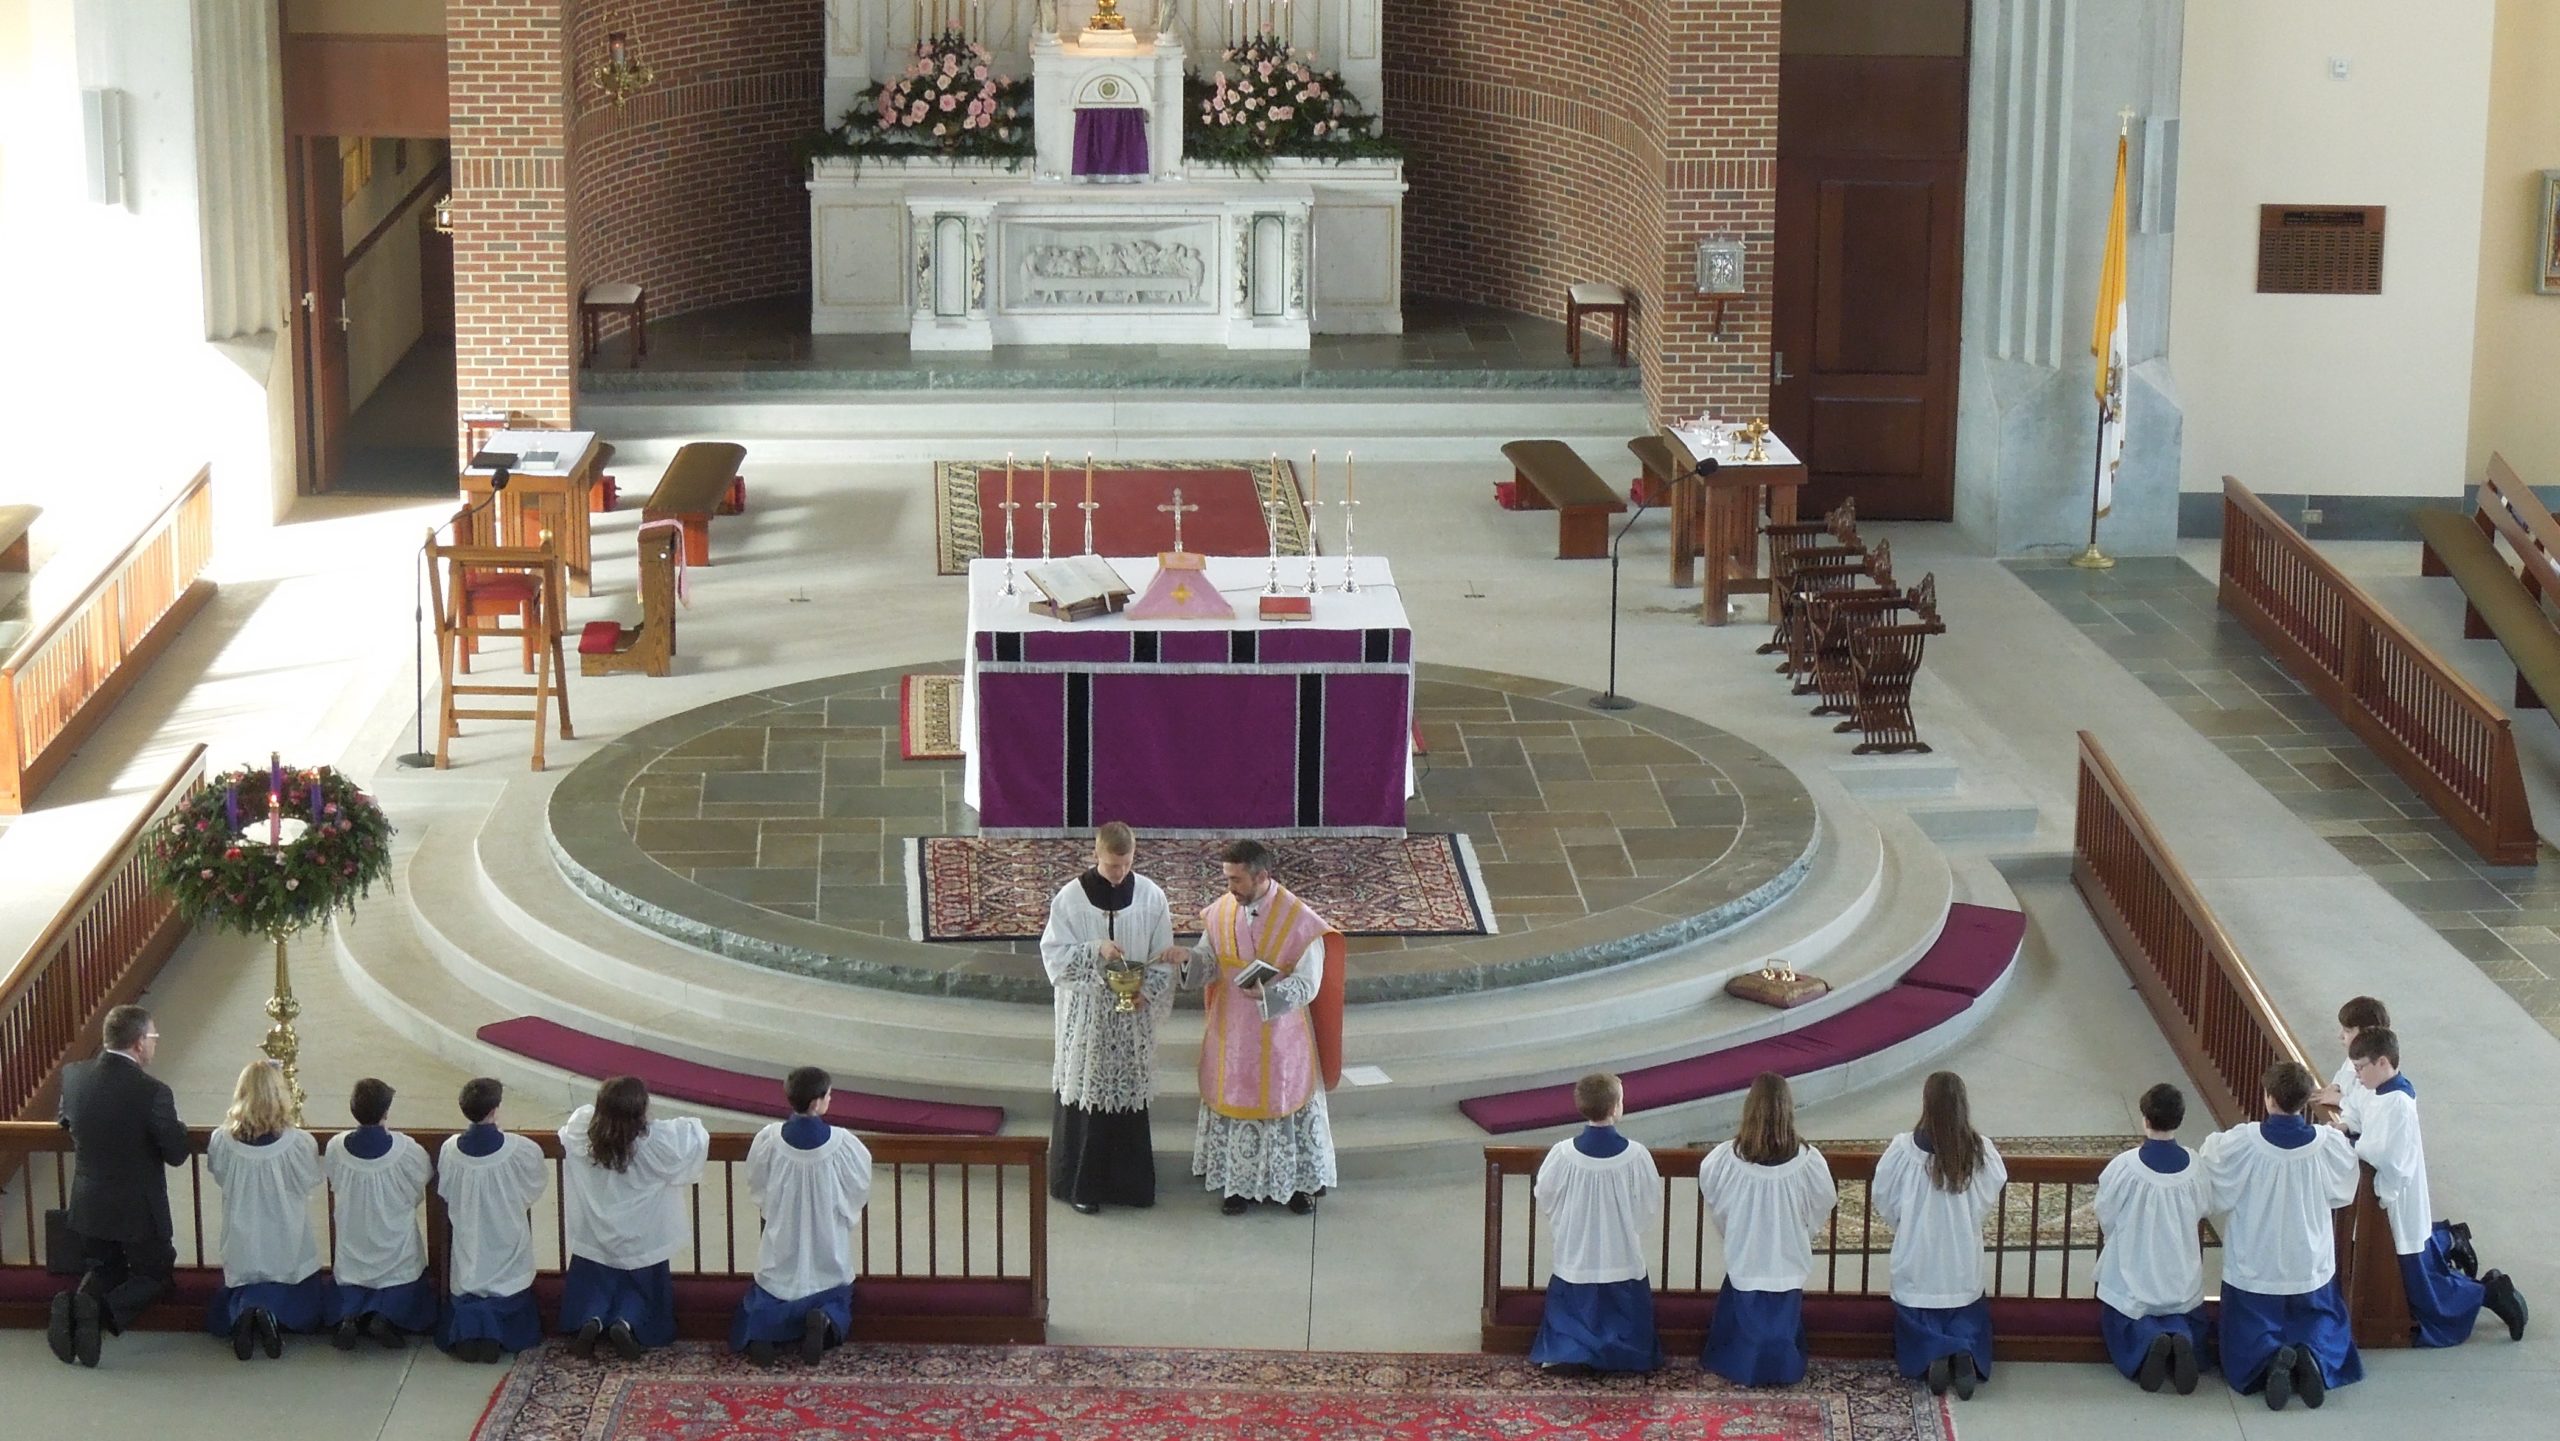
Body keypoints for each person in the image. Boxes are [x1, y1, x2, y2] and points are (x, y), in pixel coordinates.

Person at [2342, 1027, 2528, 1345]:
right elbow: (2365, 1122)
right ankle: (2477, 1275)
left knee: (2426, 1291)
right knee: (2421, 1274)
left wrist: (2354, 1146)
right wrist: (2351, 1130)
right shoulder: (2381, 1091)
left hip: (2398, 1200)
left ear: (2383, 1062)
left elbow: (2390, 1158)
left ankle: (2491, 1294)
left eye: (2361, 1067)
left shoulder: (2397, 1102)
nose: (2357, 1075)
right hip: (2396, 1199)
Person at [1186, 839, 1338, 1215]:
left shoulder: (1299, 920)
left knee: (1283, 1101)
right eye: (1227, 879)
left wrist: (1270, 995)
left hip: (1280, 1033)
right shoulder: (1221, 911)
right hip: (1233, 1032)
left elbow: (1309, 982)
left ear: (1262, 876)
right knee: (1236, 1098)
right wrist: (1188, 960)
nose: (1230, 888)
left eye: (1236, 880)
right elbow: (1210, 960)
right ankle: (1237, 1185)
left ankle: (1296, 1185)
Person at [2201, 1059, 2362, 1410]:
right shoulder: (2327, 1143)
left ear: (2269, 1098)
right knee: (2319, 1319)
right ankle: (2313, 1356)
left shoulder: (2242, 1142)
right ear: (2305, 1102)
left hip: (2256, 1261)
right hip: (2308, 1260)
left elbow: (2212, 1177)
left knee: (2248, 1331)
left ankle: (2270, 1360)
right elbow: (2343, 1190)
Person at [1039, 822, 1181, 1213]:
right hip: (1089, 1013)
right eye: (1112, 865)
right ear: (1096, 855)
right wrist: (1094, 948)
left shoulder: (1150, 896)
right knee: (1089, 1094)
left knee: (1127, 1094)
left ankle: (1131, 1187)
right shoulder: (1071, 898)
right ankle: (1082, 1187)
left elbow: (1163, 953)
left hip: (1132, 1014)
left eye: (1126, 864)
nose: (1119, 874)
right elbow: (1054, 956)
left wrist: (1146, 992)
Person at [49, 1004, 188, 1368]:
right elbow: (176, 1153)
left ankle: (76, 1309)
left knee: (104, 1267)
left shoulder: (74, 1076)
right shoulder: (153, 1092)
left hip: (88, 1199)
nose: (155, 1043)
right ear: (139, 1043)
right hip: (137, 1207)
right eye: (153, 1037)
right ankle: (96, 1315)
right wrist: (178, 1128)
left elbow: (65, 1121)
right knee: (156, 1272)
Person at [1871, 1071, 2007, 1399]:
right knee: (1963, 1307)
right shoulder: (1981, 1151)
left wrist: (1906, 1224)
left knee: (1918, 1308)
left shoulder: (1903, 1150)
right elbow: (1989, 1195)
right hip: (1961, 1252)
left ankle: (1933, 1353)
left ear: (1926, 1103)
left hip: (1917, 1250)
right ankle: (1962, 1350)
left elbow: (1883, 1198)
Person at [1696, 1072, 1837, 1386]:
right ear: (1788, 1110)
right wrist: (1802, 1231)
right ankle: (1781, 1364)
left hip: (1745, 1252)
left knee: (1744, 1312)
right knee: (1780, 1318)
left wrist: (1733, 1227)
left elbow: (1715, 1196)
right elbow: (1823, 1201)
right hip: (1788, 1256)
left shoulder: (1724, 1159)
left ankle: (1741, 1362)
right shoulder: (1809, 1161)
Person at [733, 1066, 875, 1367]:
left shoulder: (770, 1139)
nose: (830, 1099)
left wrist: (773, 1207)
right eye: (829, 1095)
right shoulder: (843, 1143)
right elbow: (858, 1187)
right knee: (836, 1294)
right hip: (826, 1240)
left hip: (783, 1236)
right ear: (816, 1102)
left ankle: (762, 1334)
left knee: (768, 1292)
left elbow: (757, 1183)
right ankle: (822, 1319)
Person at [559, 1076, 709, 1359]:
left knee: (596, 1281)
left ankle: (591, 1319)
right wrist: (648, 1124)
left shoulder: (583, 1135)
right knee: (640, 1288)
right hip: (644, 1234)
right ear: (641, 1109)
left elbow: (577, 1122)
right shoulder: (658, 1143)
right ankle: (626, 1322)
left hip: (596, 1232)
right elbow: (696, 1133)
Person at [1527, 1072, 1662, 1374]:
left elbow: (1545, 1195)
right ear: (1616, 1108)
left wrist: (1567, 1223)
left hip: (1576, 1253)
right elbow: (1648, 1203)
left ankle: (1570, 1351)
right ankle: (1624, 1354)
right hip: (1621, 1255)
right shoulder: (1637, 1156)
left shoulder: (1561, 1154)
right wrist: (1629, 1228)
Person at [204, 1060, 329, 1360]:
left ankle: (245, 1313)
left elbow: (219, 1174)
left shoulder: (222, 1140)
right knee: (302, 1296)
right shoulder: (298, 1143)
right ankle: (269, 1312)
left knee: (243, 1284)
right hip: (285, 1241)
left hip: (242, 1241)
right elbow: (310, 1180)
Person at [2094, 1083, 2213, 1393]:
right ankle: (2182, 1338)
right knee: (2180, 1311)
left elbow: (2106, 1212)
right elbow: (2204, 1207)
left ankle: (2149, 1341)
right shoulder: (2195, 1165)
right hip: (2180, 1269)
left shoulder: (2125, 1166)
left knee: (2125, 1311)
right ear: (2180, 1119)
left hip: (2134, 1266)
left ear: (2145, 1118)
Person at [436, 1077, 550, 1363]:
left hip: (469, 1239)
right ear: (495, 1110)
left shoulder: (449, 1150)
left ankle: (469, 1333)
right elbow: (534, 1186)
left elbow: (446, 1191)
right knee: (509, 1285)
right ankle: (496, 1335)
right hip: (506, 1237)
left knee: (468, 1286)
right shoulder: (521, 1149)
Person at [322, 1077, 436, 1349]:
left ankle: (349, 1317)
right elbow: (422, 1181)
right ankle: (384, 1318)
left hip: (353, 1246)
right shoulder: (407, 1151)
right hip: (394, 1247)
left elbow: (334, 1180)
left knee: (352, 1280)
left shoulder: (336, 1147)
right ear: (386, 1112)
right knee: (404, 1279)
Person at [2311, 995, 2390, 1132]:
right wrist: (2335, 1086)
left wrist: (2340, 1100)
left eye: (2347, 1031)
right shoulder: (2353, 1058)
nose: (2340, 1036)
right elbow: (2342, 1078)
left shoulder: (2376, 1073)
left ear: (2367, 1033)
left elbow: (2367, 1112)